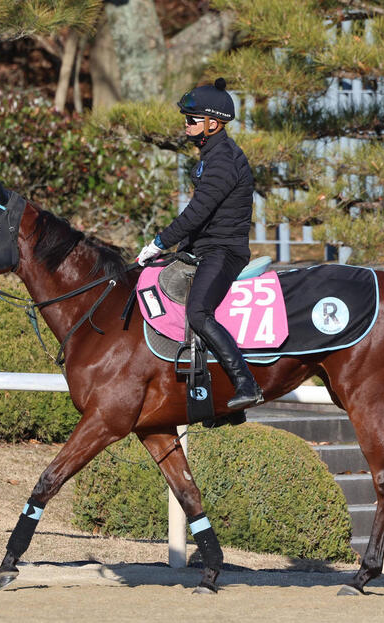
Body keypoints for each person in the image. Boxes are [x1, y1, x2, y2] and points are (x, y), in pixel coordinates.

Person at [137, 78, 263, 410]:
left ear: (212, 123)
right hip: (205, 248)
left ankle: (245, 382)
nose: (186, 125)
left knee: (198, 312)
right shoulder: (211, 154)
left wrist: (159, 242)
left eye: (191, 120)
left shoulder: (222, 160)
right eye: (186, 119)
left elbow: (197, 212)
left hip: (224, 253)